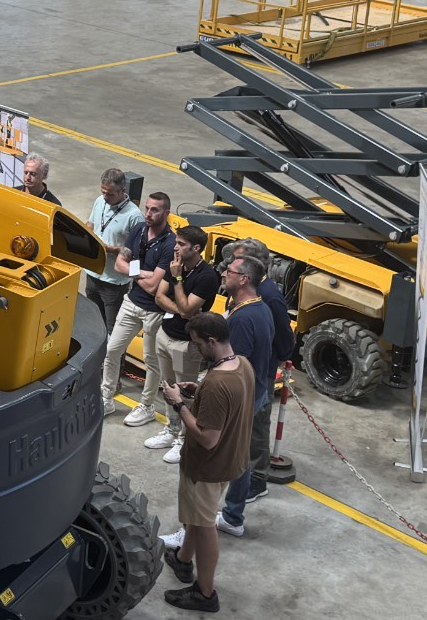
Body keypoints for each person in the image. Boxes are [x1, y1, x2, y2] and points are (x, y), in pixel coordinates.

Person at [157, 311, 253, 614]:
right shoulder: (242, 366)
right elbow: (228, 406)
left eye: (198, 344)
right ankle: (183, 560)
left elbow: (207, 437)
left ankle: (205, 592)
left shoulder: (215, 384)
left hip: (206, 466)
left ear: (212, 341)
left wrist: (178, 403)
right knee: (197, 518)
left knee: (203, 523)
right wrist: (198, 394)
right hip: (230, 460)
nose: (195, 349)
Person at [214, 238, 294, 531]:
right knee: (247, 441)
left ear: (249, 271)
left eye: (234, 265)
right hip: (257, 378)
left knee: (251, 437)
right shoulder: (251, 299)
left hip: (253, 382)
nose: (225, 269)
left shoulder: (265, 299)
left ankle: (255, 483)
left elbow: (243, 360)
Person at [144, 225, 222, 464]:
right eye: (176, 243)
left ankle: (184, 438)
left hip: (187, 344)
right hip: (165, 334)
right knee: (168, 388)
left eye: (180, 244)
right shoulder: (175, 263)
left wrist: (177, 279)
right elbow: (160, 297)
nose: (175, 247)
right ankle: (171, 430)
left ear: (196, 248)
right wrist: (183, 310)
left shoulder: (207, 276)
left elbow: (189, 311)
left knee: (186, 394)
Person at [104, 191, 175, 419]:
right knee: (112, 350)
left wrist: (135, 272)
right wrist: (144, 273)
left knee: (151, 361)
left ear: (166, 212)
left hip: (154, 311)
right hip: (131, 302)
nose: (148, 213)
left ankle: (147, 406)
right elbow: (119, 265)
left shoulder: (170, 243)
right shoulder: (139, 230)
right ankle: (106, 399)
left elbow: (155, 287)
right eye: (147, 208)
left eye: (154, 210)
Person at [84, 169, 143, 334]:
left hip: (113, 283)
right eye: (103, 192)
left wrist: (114, 250)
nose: (105, 197)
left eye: (109, 194)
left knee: (113, 330)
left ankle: (115, 360)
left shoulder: (134, 216)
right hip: (93, 274)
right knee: (95, 325)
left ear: (122, 191)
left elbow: (138, 254)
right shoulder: (100, 201)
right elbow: (91, 224)